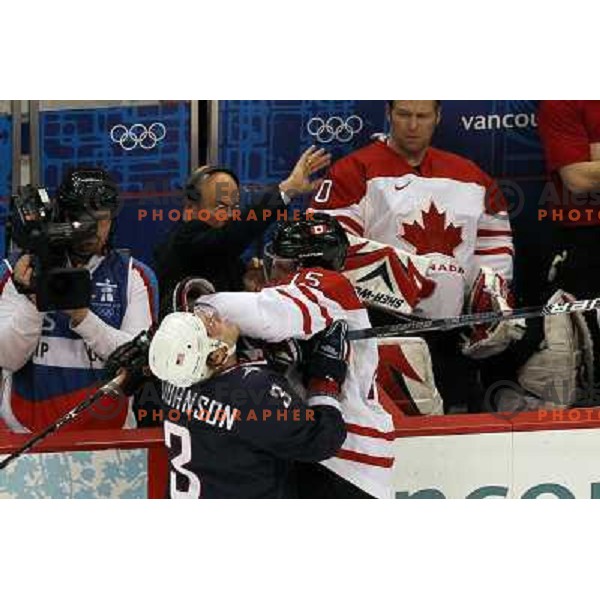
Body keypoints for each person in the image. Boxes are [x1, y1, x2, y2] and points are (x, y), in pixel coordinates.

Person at [309, 100, 522, 412]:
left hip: (452, 331)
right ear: (389, 114)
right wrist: (402, 283)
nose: (412, 125)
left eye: (422, 116)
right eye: (404, 115)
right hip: (382, 328)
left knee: (457, 424)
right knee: (391, 422)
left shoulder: (472, 177)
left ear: (437, 117)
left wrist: (489, 300)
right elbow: (328, 247)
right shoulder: (353, 170)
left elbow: (493, 245)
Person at [202, 213, 395, 498]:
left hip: (347, 462)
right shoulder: (313, 306)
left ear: (303, 266)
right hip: (309, 450)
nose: (272, 270)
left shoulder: (331, 285)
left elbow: (267, 316)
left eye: (280, 262)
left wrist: (201, 306)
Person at [0, 168, 158, 432]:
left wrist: (82, 317)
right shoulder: (18, 271)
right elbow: (7, 357)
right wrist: (34, 300)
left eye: (102, 219)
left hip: (110, 437)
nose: (92, 230)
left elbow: (138, 361)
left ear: (113, 219)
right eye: (81, 218)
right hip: (25, 433)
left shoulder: (135, 276)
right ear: (60, 213)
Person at [148, 308, 349, 499]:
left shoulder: (172, 376)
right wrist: (325, 379)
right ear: (216, 356)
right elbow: (322, 440)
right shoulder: (255, 390)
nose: (215, 318)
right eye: (210, 327)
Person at [154, 146, 331, 316]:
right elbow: (230, 236)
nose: (231, 215)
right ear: (191, 209)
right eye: (221, 207)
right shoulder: (185, 241)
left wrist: (248, 279)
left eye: (235, 207)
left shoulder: (217, 246)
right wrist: (287, 189)